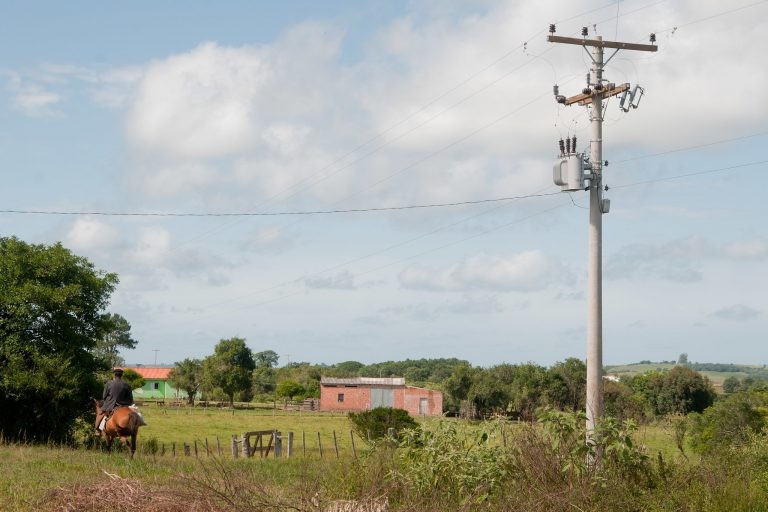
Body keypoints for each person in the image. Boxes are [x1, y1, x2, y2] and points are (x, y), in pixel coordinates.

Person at [95, 368, 134, 435]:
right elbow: (130, 398)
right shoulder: (126, 385)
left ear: (114, 375)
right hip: (123, 405)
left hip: (110, 405)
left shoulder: (109, 383)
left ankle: (97, 430)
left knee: (100, 414)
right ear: (121, 375)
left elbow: (104, 396)